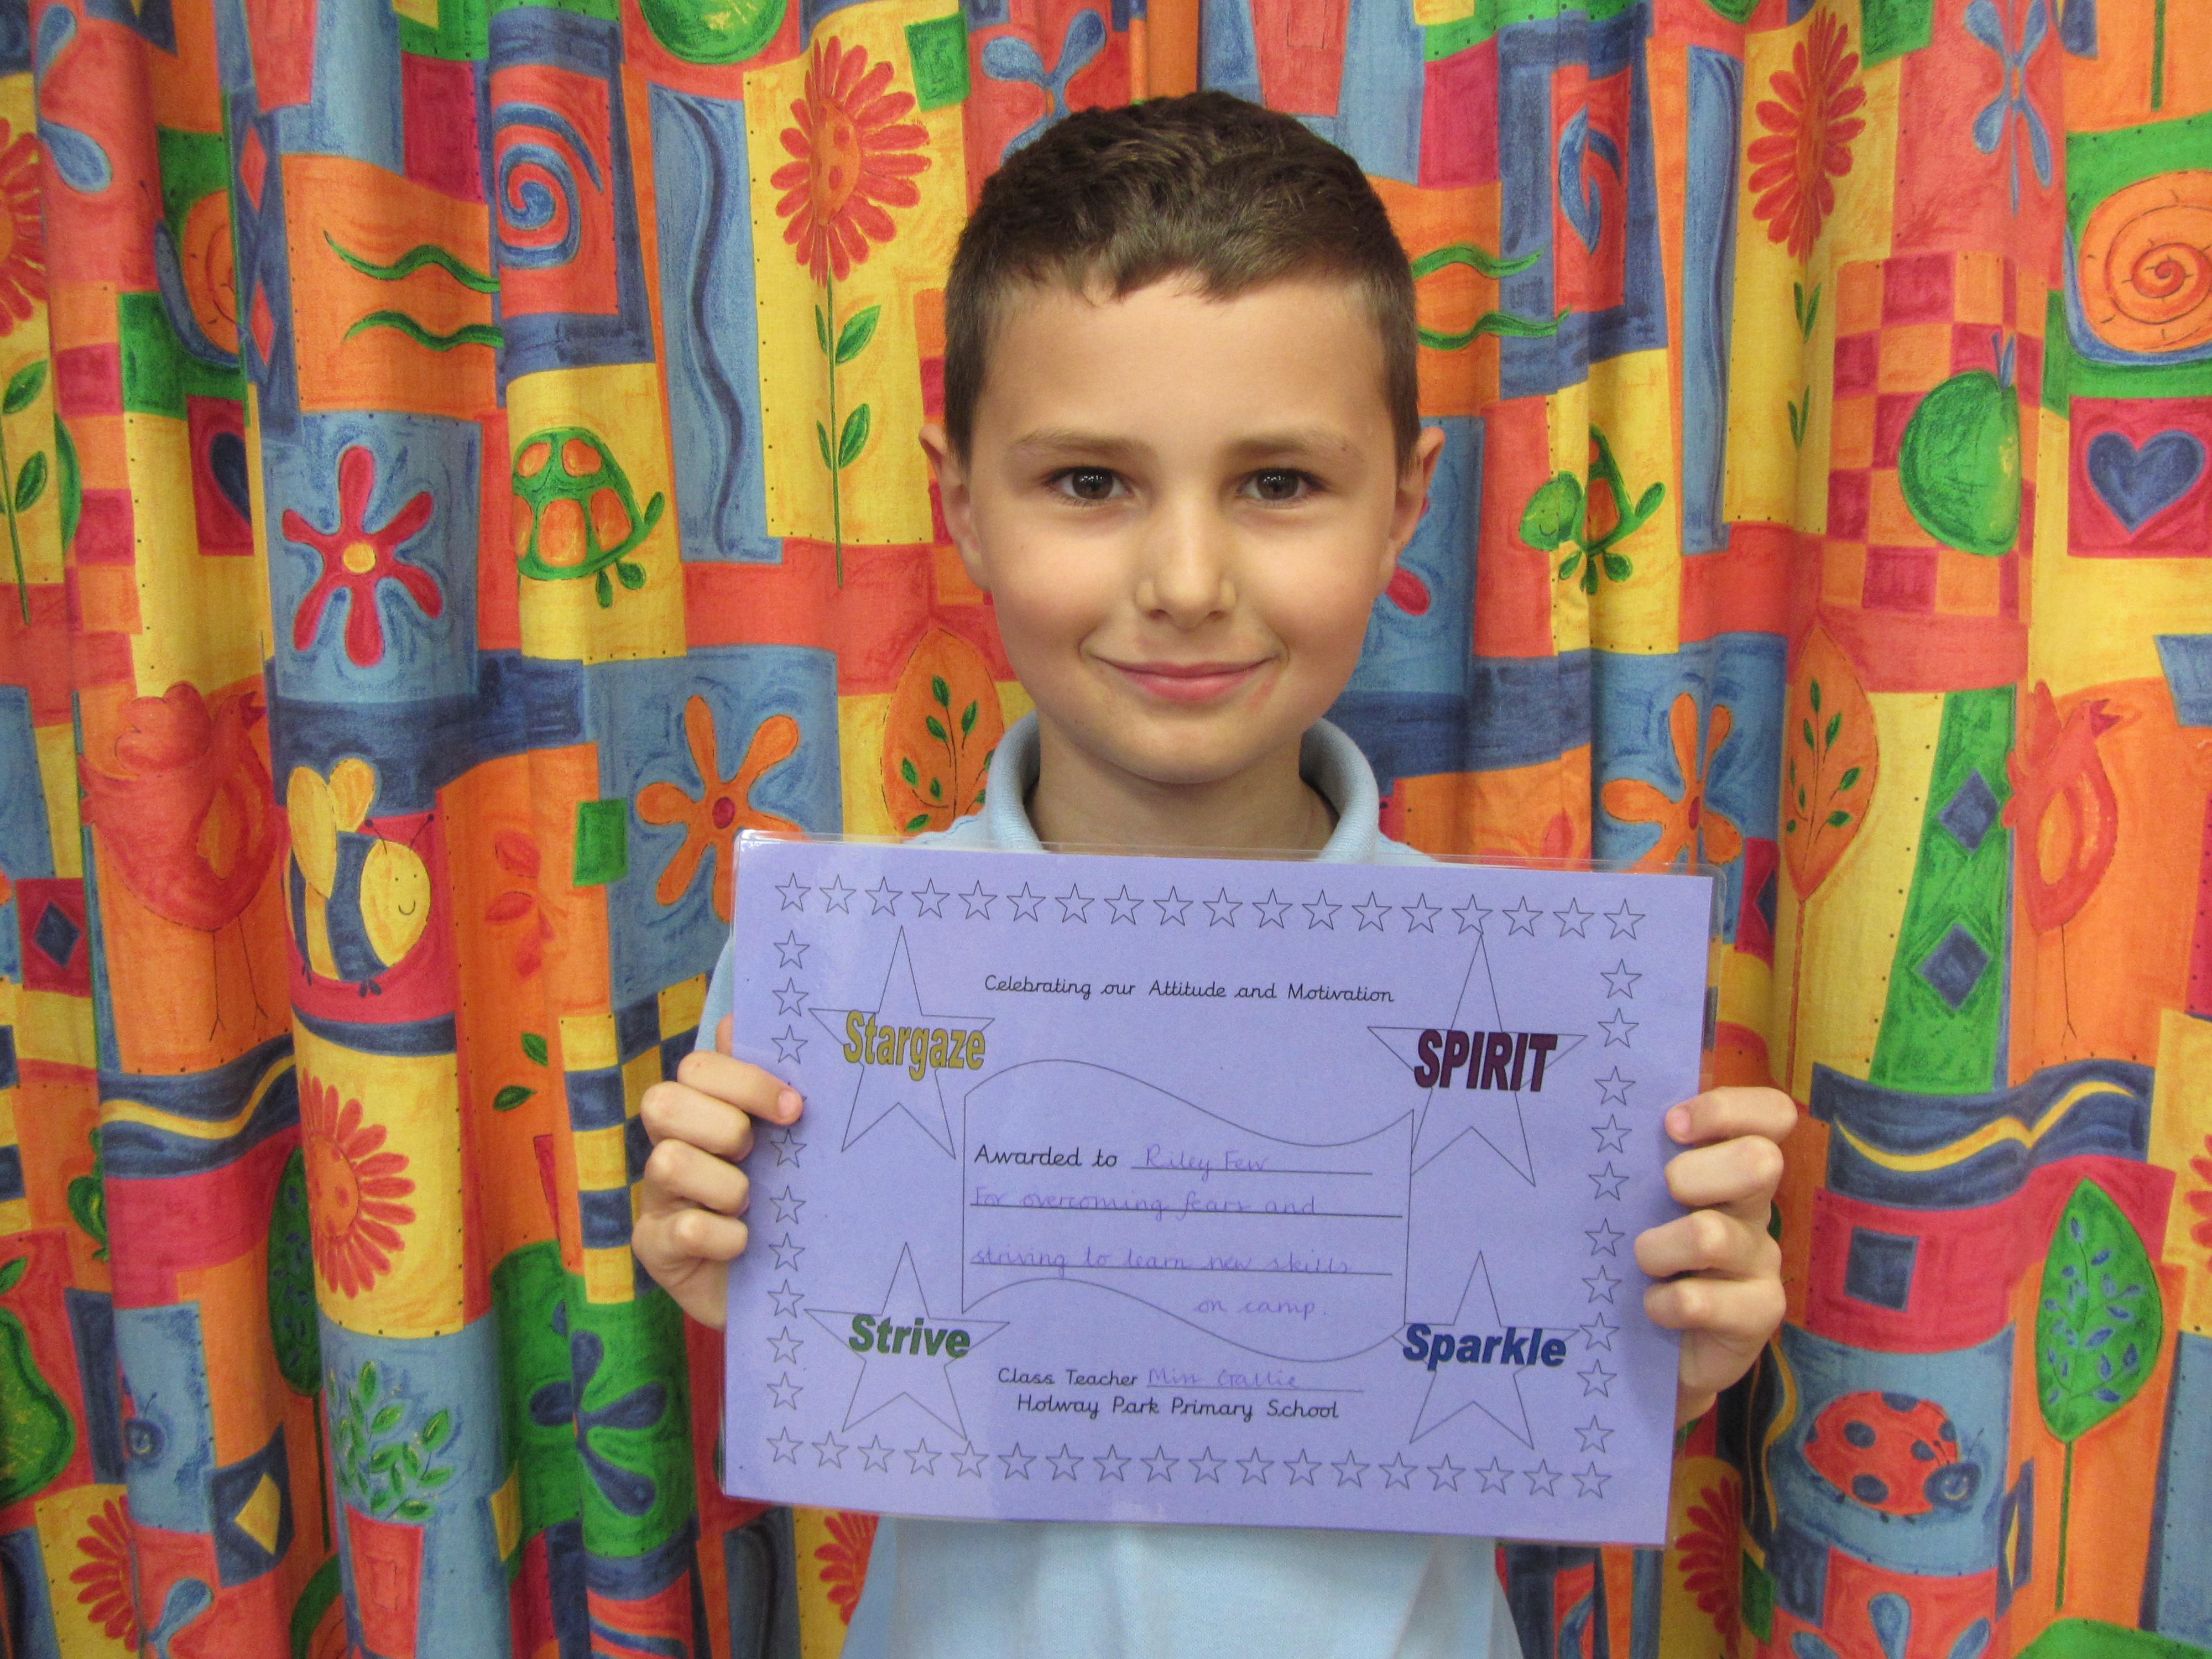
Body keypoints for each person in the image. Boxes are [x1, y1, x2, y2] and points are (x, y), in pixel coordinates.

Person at [634, 91, 1793, 1657]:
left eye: (1279, 483)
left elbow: (1523, 1385)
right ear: (960, 503)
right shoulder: (823, 983)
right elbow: (852, 1357)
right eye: (1089, 483)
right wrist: (741, 1277)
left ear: (1406, 502)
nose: (1186, 583)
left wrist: (1667, 1351)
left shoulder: (1541, 1016)